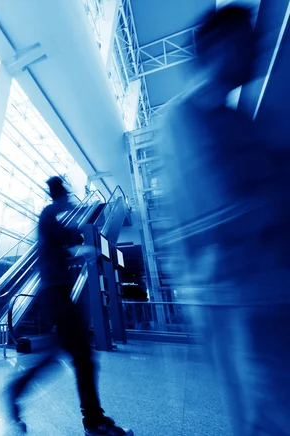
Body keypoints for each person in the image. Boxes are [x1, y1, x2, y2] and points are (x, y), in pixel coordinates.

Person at [160, 5, 290, 435]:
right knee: (267, 417)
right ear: (217, 45)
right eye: (246, 37)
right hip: (235, 297)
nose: (259, 44)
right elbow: (216, 213)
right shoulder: (185, 116)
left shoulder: (238, 121)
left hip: (263, 292)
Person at [6, 177, 133, 436]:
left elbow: (60, 245)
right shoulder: (49, 214)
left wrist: (79, 249)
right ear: (60, 196)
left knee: (67, 358)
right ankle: (94, 423)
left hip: (59, 297)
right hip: (56, 297)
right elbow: (62, 232)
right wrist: (79, 236)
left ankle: (17, 391)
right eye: (67, 197)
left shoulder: (52, 227)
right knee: (83, 359)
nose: (71, 201)